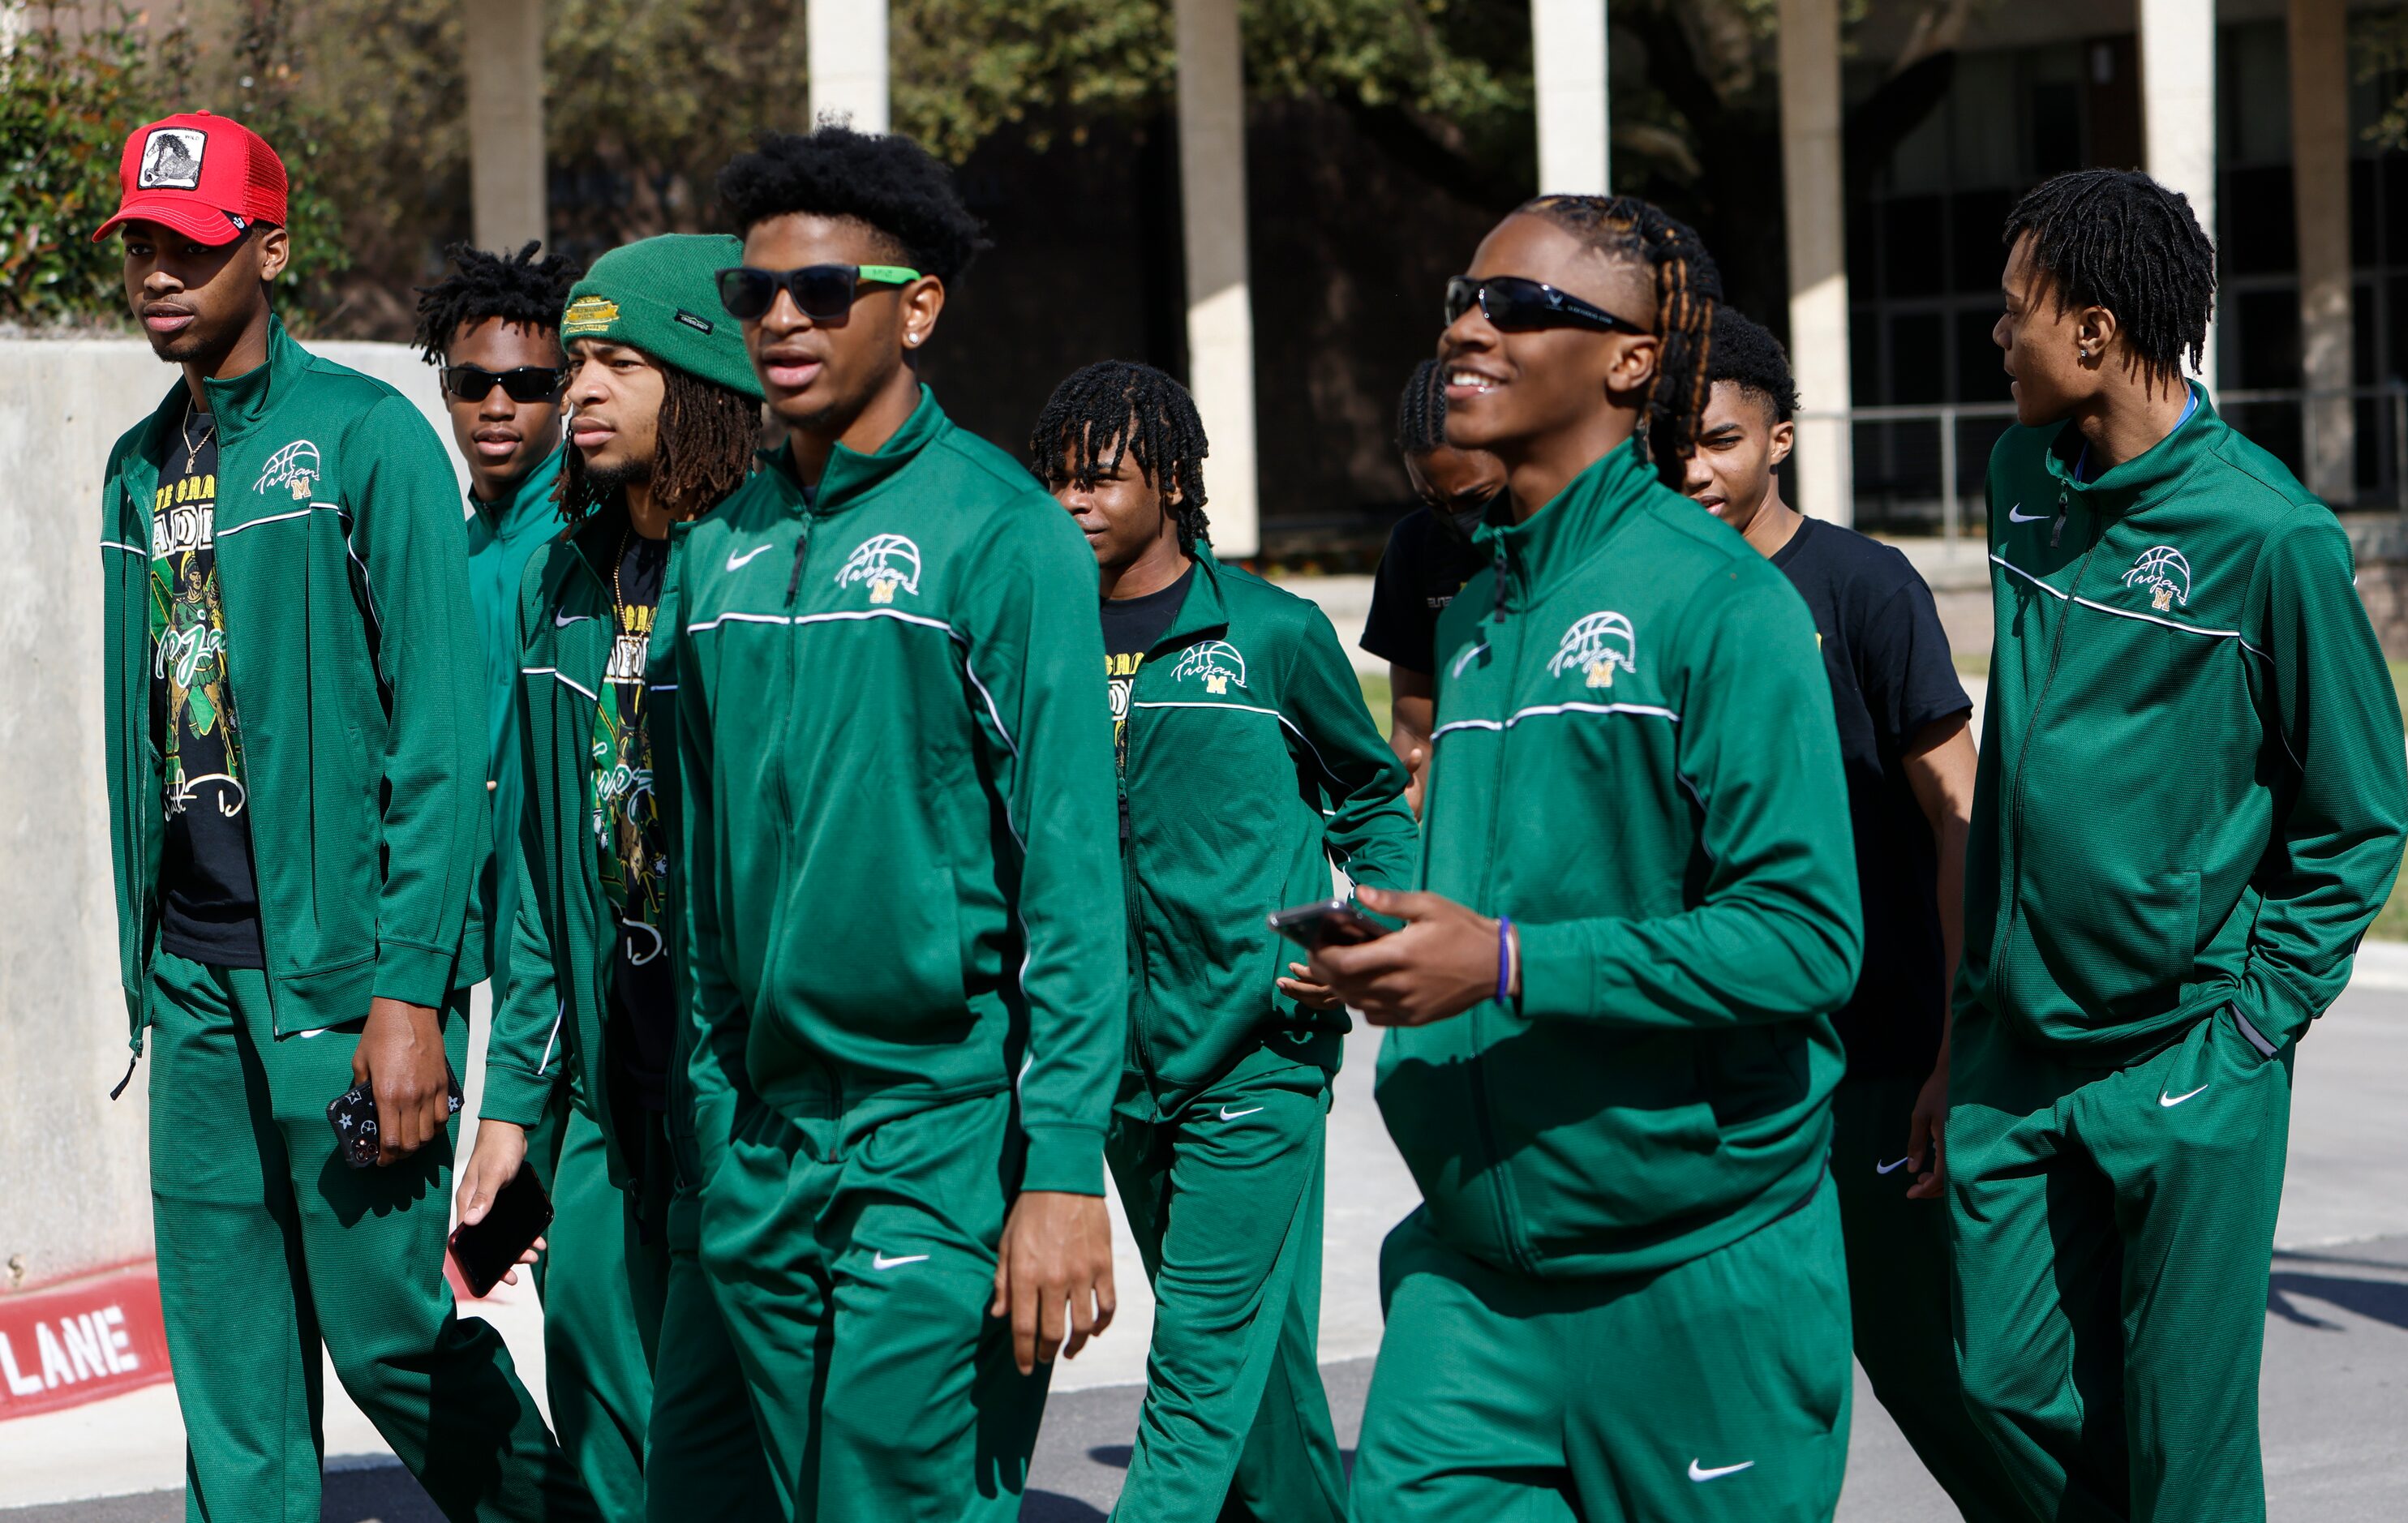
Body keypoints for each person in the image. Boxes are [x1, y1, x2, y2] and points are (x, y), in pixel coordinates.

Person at [1312, 195, 1863, 1521]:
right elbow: (1515, 897)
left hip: (1692, 1275)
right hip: (1471, 1276)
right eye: (1460, 296)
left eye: (1515, 305)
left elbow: (1802, 935)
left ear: (1629, 359)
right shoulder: (1483, 611)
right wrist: (1399, 956)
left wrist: (1501, 964)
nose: (1463, 325)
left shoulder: (1720, 604)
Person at [92, 109, 593, 1521]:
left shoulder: (366, 440)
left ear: (270, 248)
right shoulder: (134, 464)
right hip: (191, 981)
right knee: (231, 1381)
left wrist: (410, 990)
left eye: (190, 245)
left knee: (390, 1338)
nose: (157, 274)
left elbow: (438, 740)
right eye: (140, 244)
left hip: (342, 980)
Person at [674, 126, 1122, 1519]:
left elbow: (1070, 876)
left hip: (938, 1133)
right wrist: (708, 1101)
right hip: (757, 1138)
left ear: (916, 304)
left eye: (821, 291)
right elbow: (699, 869)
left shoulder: (1003, 533)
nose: (781, 321)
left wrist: (1056, 1170)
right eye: (753, 296)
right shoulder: (715, 547)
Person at [1951, 168, 2408, 1521]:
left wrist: (2249, 1029)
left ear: (2090, 331)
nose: (1994, 338)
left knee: (2184, 1447)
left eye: (2010, 312)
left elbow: (2358, 812)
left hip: (2187, 1052)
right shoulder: (2014, 471)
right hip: (2014, 1045)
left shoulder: (2269, 537)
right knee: (1993, 1379)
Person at [1031, 362, 1419, 1522]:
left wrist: (1374, 934)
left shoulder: (1270, 633)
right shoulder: (1034, 634)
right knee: (1261, 1366)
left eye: (1100, 479)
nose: (1073, 504)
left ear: (1172, 482)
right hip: (1110, 1072)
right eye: (1054, 481)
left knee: (1197, 1368)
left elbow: (1367, 797)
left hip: (1258, 1051)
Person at [458, 235, 780, 1523]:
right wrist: (515, 1103)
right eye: (575, 362)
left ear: (702, 377)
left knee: (740, 1432)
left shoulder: (765, 577)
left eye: (615, 363)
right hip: (606, 1080)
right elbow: (543, 864)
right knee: (595, 1363)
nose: (578, 390)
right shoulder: (566, 577)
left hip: (740, 1090)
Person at [1682, 307, 2017, 1519]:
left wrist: (1948, 1052)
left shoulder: (1861, 586)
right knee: (1740, 1381)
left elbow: (1957, 817)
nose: (1693, 469)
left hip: (1879, 1060)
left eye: (1720, 440)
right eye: (1672, 444)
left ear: (1781, 436)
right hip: (1723, 1073)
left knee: (1935, 1369)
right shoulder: (1665, 605)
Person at [412, 238, 582, 1007]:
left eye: (527, 383)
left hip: (576, 925)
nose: (498, 405)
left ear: (566, 390)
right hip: (474, 926)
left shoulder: (593, 539)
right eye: (473, 381)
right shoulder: (444, 547)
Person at [1360, 358, 1505, 812]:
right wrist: (1398, 805)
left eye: (1475, 500)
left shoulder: (1576, 539)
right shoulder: (1415, 546)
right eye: (1434, 501)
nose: (1460, 523)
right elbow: (1416, 733)